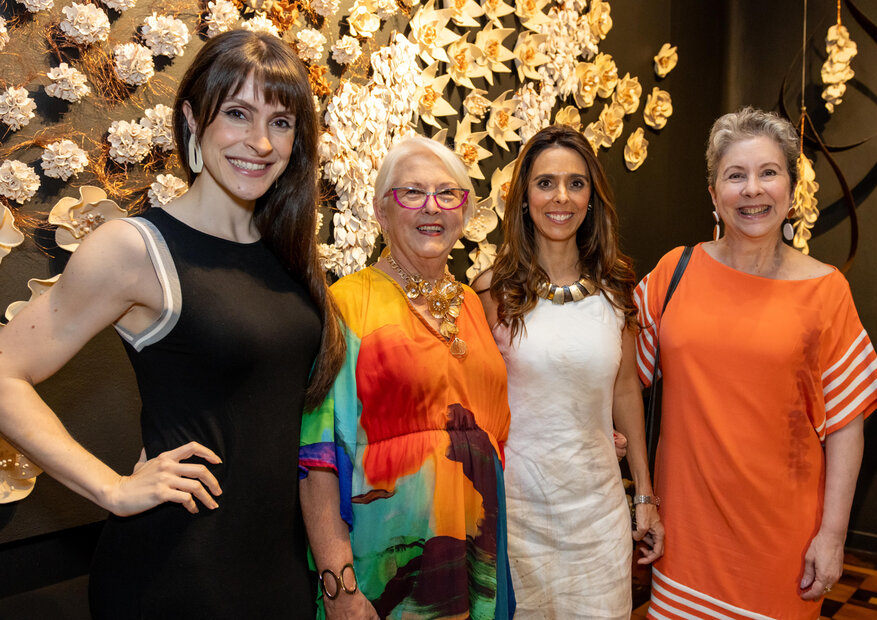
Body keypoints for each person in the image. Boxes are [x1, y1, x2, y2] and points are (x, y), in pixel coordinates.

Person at [0, 30, 344, 617]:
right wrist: (111, 487)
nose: (260, 142)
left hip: (278, 569)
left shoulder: (287, 249)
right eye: (237, 113)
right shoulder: (135, 249)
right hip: (178, 572)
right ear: (192, 117)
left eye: (282, 123)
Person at [636, 107, 877, 619]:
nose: (752, 189)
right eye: (736, 176)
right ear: (713, 195)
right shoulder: (674, 272)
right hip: (685, 539)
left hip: (781, 547)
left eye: (768, 173)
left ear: (790, 192)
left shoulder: (826, 290)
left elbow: (846, 425)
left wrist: (833, 536)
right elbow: (615, 379)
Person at [298, 135, 514, 619]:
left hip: (476, 553)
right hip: (387, 567)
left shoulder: (472, 305)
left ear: (464, 210)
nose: (431, 207)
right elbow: (317, 462)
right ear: (381, 211)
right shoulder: (345, 305)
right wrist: (341, 588)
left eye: (447, 193)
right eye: (412, 193)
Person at [473, 124, 664, 618]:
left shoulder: (618, 288)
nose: (561, 197)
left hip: (597, 515)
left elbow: (625, 391)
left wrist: (643, 492)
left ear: (592, 198)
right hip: (517, 515)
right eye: (545, 183)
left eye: (576, 183)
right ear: (523, 199)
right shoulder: (492, 291)